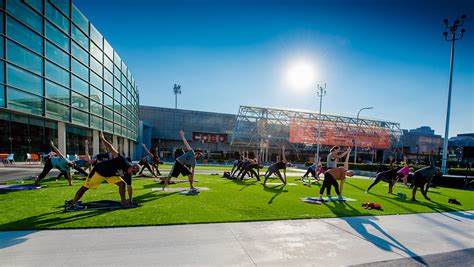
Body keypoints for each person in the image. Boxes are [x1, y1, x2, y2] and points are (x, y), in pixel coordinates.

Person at [67, 132, 140, 209]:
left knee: (122, 184)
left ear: (134, 173)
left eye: (135, 170)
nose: (133, 169)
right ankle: (72, 204)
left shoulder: (128, 176)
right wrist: (103, 139)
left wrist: (131, 200)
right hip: (99, 172)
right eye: (134, 167)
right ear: (132, 165)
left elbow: (129, 187)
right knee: (84, 188)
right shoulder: (123, 161)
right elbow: (112, 148)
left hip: (110, 175)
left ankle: (123, 203)